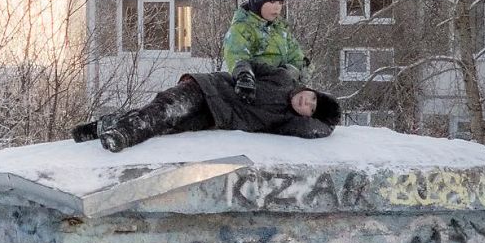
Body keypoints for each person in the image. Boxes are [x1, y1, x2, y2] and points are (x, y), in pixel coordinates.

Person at [71, 62, 340, 153]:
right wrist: (245, 74)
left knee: (165, 126)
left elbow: (316, 131)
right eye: (313, 97)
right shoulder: (282, 78)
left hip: (213, 117)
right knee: (166, 109)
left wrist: (329, 120)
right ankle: (122, 136)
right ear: (309, 88)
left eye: (312, 108)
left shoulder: (286, 122)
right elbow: (247, 62)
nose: (308, 103)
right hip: (207, 88)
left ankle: (103, 126)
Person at [222, 0, 311, 104]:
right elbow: (237, 55)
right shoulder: (243, 28)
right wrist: (244, 75)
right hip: (256, 91)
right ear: (258, 1)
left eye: (280, 2)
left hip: (283, 90)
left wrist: (292, 73)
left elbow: (297, 57)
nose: (277, 7)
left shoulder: (280, 30)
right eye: (272, 1)